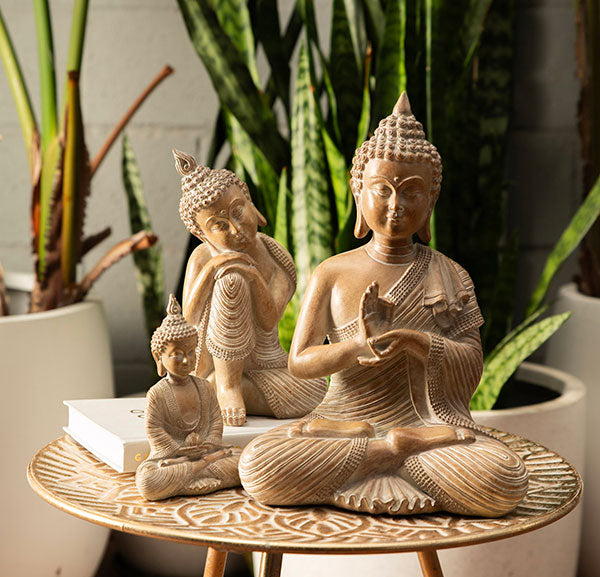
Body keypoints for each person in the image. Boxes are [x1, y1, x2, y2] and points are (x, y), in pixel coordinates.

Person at [238, 93, 529, 517]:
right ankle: (390, 452)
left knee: (504, 477)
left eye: (412, 193)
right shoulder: (331, 272)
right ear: (358, 192)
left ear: (431, 200)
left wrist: (416, 342)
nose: (396, 206)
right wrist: (358, 347)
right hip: (344, 424)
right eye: (383, 190)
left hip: (426, 426)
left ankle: (391, 449)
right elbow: (299, 362)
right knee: (259, 466)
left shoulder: (450, 274)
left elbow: (472, 362)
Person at [173, 149, 327, 427]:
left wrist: (255, 278)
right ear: (201, 234)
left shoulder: (276, 256)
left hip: (266, 366)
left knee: (317, 389)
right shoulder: (201, 258)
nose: (235, 229)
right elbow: (189, 319)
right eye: (219, 225)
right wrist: (212, 270)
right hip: (212, 361)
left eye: (238, 212)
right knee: (231, 279)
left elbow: (268, 322)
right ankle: (227, 385)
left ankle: (215, 390)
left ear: (249, 201)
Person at [135, 295, 240, 501]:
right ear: (159, 357)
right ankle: (198, 472)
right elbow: (154, 430)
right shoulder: (157, 393)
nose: (186, 360)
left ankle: (191, 475)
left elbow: (216, 421)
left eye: (191, 352)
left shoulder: (205, 387)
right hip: (173, 459)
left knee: (243, 461)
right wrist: (179, 449)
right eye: (177, 354)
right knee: (147, 481)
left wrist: (209, 443)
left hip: (207, 454)